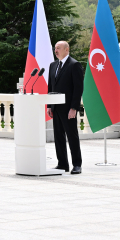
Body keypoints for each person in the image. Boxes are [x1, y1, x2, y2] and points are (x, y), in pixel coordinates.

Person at [46, 41, 84, 175]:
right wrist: (49, 106)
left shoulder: (74, 65)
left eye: (58, 48)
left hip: (68, 109)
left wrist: (74, 107)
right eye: (55, 48)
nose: (56, 50)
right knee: (58, 137)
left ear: (66, 50)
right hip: (56, 108)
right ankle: (62, 163)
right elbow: (50, 87)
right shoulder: (52, 65)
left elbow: (78, 88)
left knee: (72, 136)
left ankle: (77, 164)